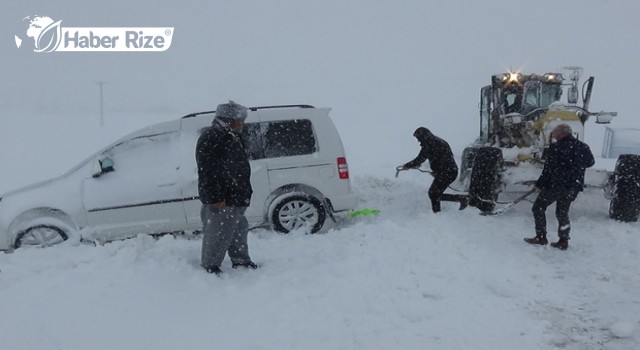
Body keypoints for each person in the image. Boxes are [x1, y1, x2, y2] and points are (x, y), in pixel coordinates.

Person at [196, 100, 258, 275]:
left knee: (238, 229)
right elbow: (207, 170)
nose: (243, 123)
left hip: (236, 196)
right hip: (223, 199)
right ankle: (210, 266)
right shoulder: (212, 137)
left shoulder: (232, 135)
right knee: (217, 233)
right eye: (241, 119)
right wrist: (216, 197)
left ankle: (241, 260)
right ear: (229, 119)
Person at [524, 124, 595, 250]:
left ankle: (541, 237)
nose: (553, 135)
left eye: (555, 133)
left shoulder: (555, 148)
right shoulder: (583, 147)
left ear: (561, 134)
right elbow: (590, 162)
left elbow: (548, 170)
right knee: (562, 213)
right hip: (573, 187)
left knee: (538, 207)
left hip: (556, 186)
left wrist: (539, 185)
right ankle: (563, 241)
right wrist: (576, 167)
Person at [402, 127, 469, 213]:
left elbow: (419, 159)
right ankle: (460, 199)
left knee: (433, 193)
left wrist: (407, 165)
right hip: (449, 171)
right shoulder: (437, 142)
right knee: (435, 193)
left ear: (424, 137)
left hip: (447, 172)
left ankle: (439, 211)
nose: (419, 141)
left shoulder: (430, 144)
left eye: (419, 139)